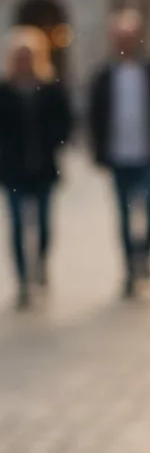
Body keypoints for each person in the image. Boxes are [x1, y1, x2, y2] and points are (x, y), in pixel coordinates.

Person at [88, 10, 150, 298]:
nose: (125, 42)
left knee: (149, 209)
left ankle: (146, 258)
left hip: (147, 154)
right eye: (120, 37)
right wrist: (98, 151)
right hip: (118, 155)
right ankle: (129, 268)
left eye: (130, 37)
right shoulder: (104, 75)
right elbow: (95, 116)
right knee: (124, 215)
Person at [0, 27, 73, 309]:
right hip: (14, 169)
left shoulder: (50, 89)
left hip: (43, 167)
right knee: (18, 225)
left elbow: (65, 121)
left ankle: (40, 262)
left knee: (42, 224)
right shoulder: (4, 92)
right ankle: (22, 280)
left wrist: (55, 139)